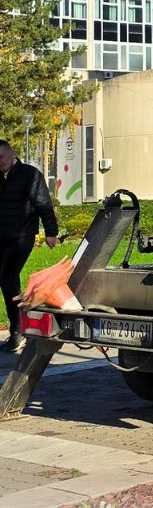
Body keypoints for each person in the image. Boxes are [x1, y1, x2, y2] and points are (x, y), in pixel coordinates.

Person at [0, 139, 59, 351]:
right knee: (9, 280)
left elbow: (43, 203)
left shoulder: (29, 175)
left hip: (22, 236)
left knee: (6, 278)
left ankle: (18, 331)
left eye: (2, 158)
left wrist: (51, 232)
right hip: (2, 237)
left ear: (12, 154)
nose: (0, 163)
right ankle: (20, 329)